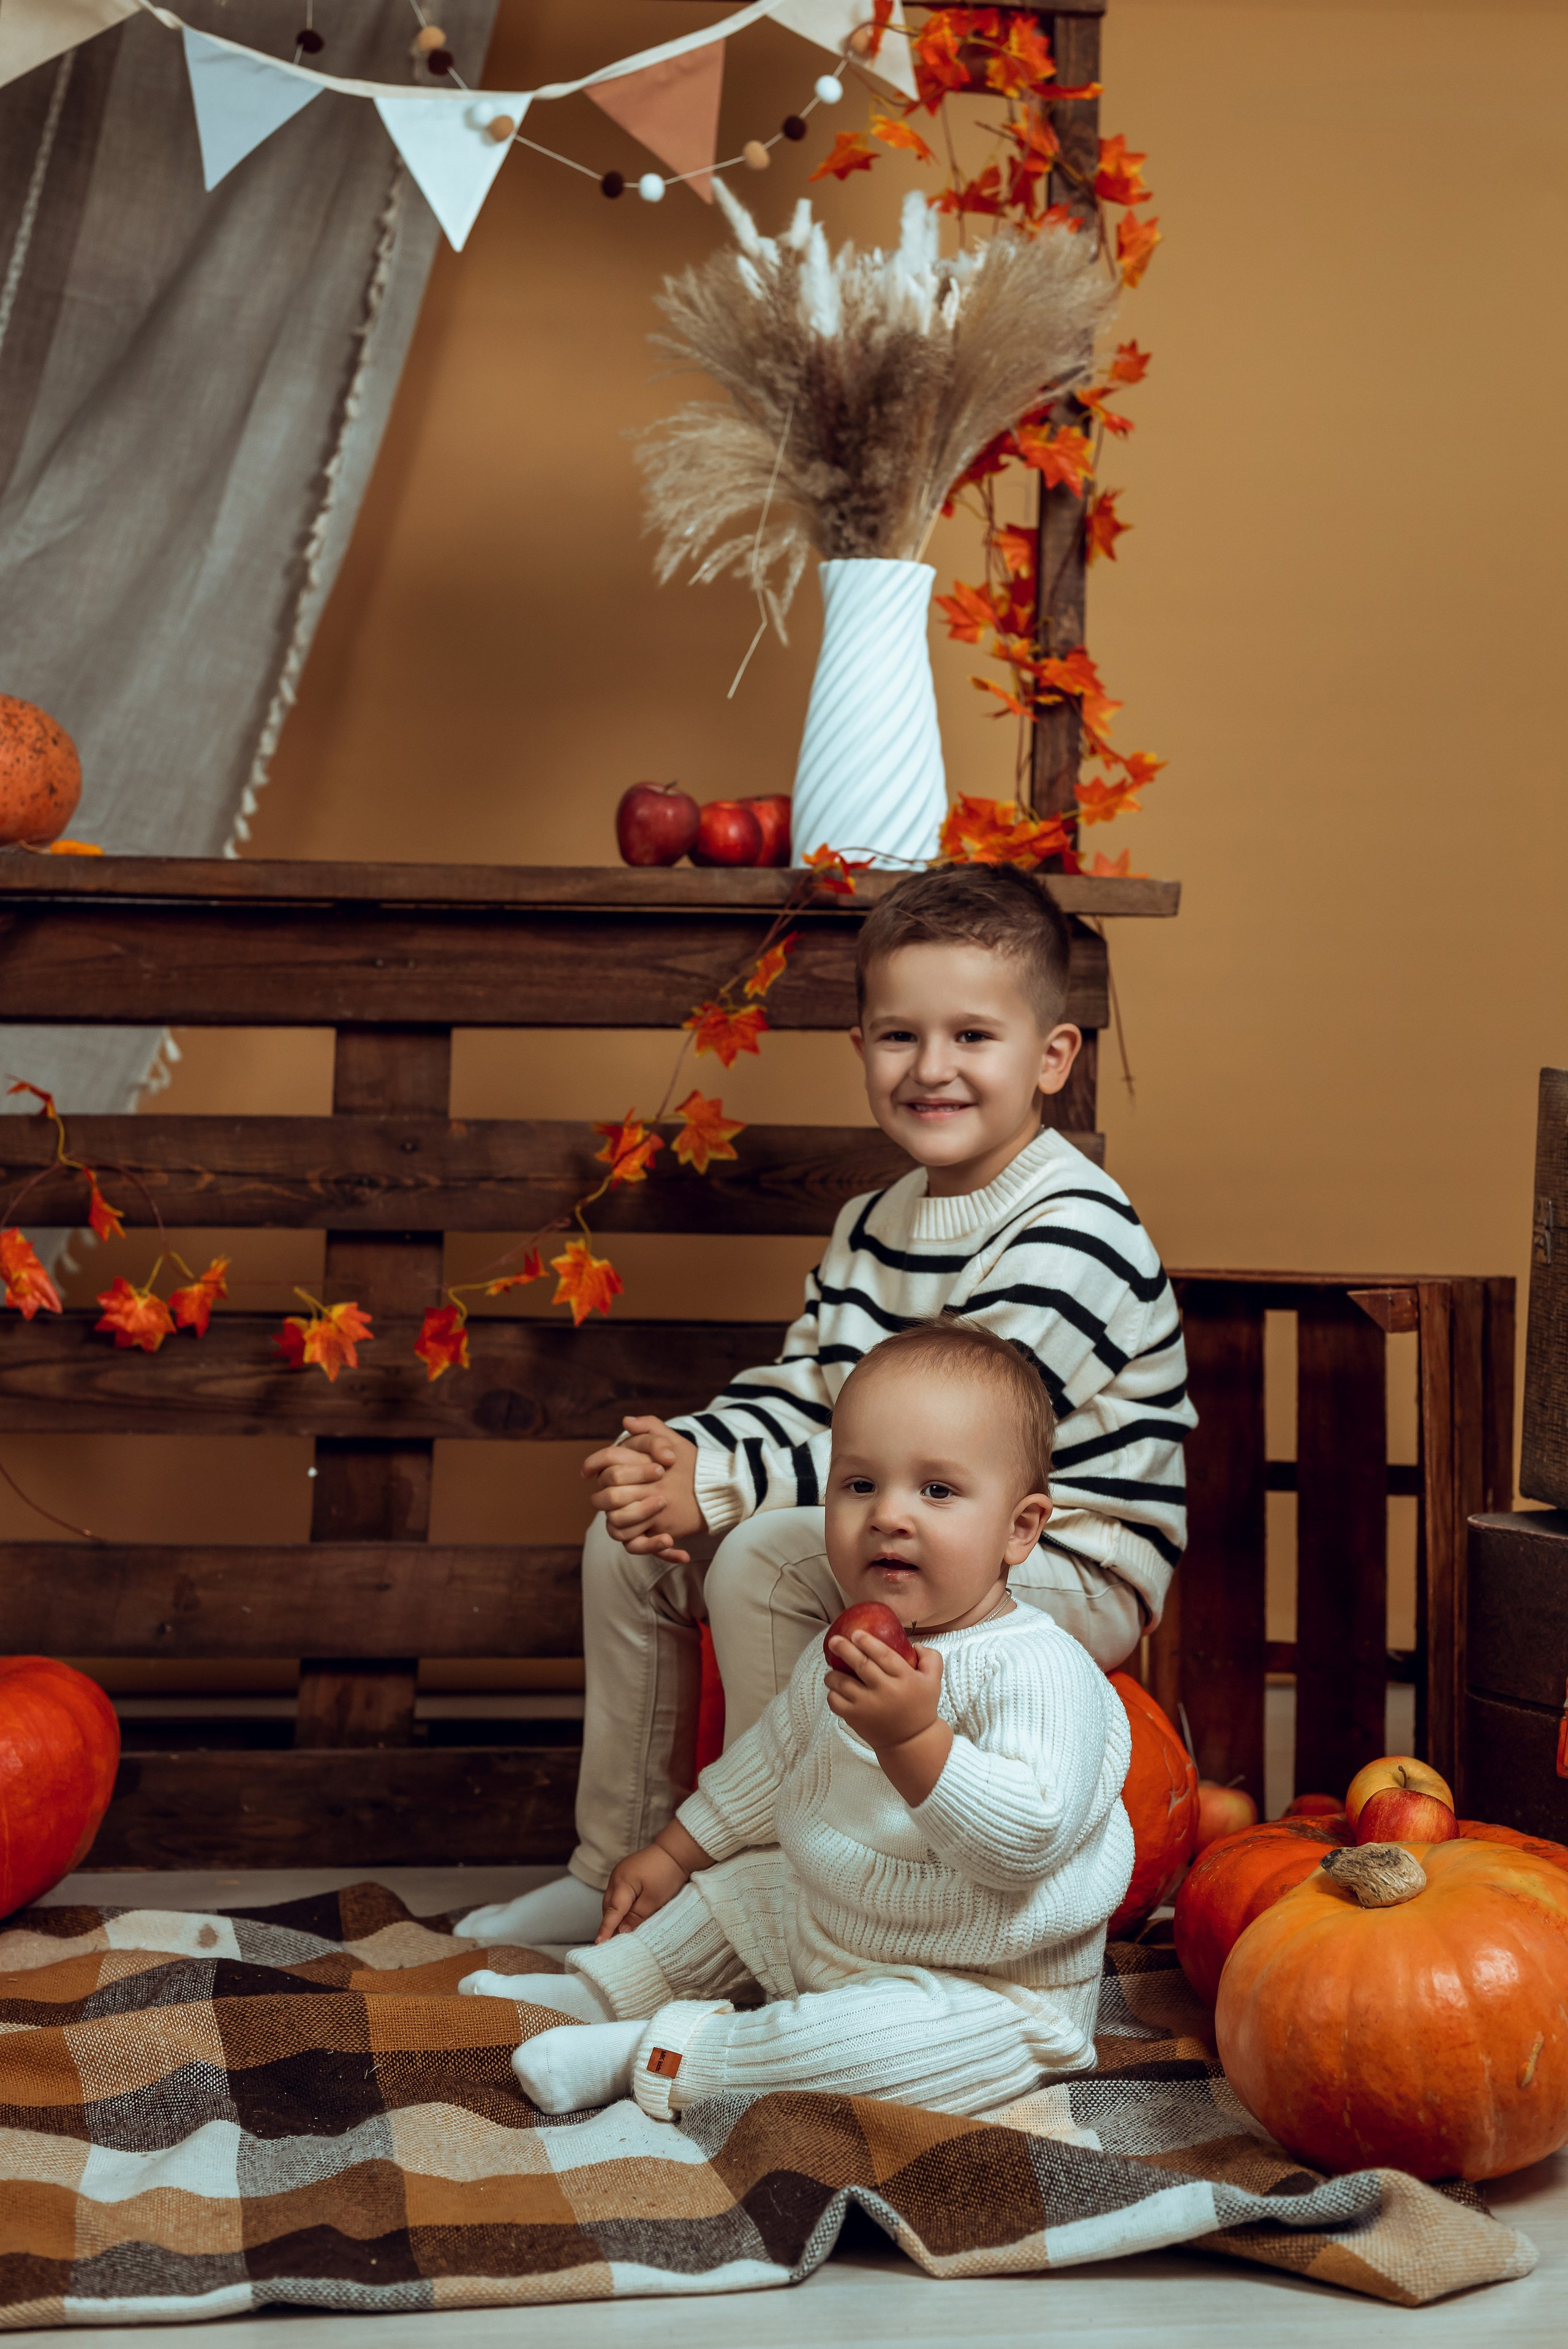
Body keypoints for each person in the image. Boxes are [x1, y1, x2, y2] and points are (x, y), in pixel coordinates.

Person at [465, 862, 1191, 1951]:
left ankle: (773, 1880)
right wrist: (690, 1461)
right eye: (900, 1037)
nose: (931, 1069)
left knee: (766, 1556)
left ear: (1051, 1058)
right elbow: (807, 1391)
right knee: (633, 1549)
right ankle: (614, 1862)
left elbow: (952, 1443)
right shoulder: (871, 1223)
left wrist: (724, 1492)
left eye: (973, 1039)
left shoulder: (1077, 1227)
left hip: (1057, 1559)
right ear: (861, 1049)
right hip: (906, 1522)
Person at [459, 1321, 1134, 2122]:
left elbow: (1028, 1839)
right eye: (859, 1486)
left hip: (986, 1987)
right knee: (742, 1889)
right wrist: (674, 1852)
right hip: (843, 1924)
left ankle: (668, 2054)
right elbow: (772, 1761)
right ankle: (597, 1993)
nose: (889, 1516)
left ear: (1020, 1529)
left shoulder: (1041, 1668)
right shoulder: (842, 1642)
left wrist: (915, 1742)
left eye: (938, 1491)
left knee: (875, 2048)